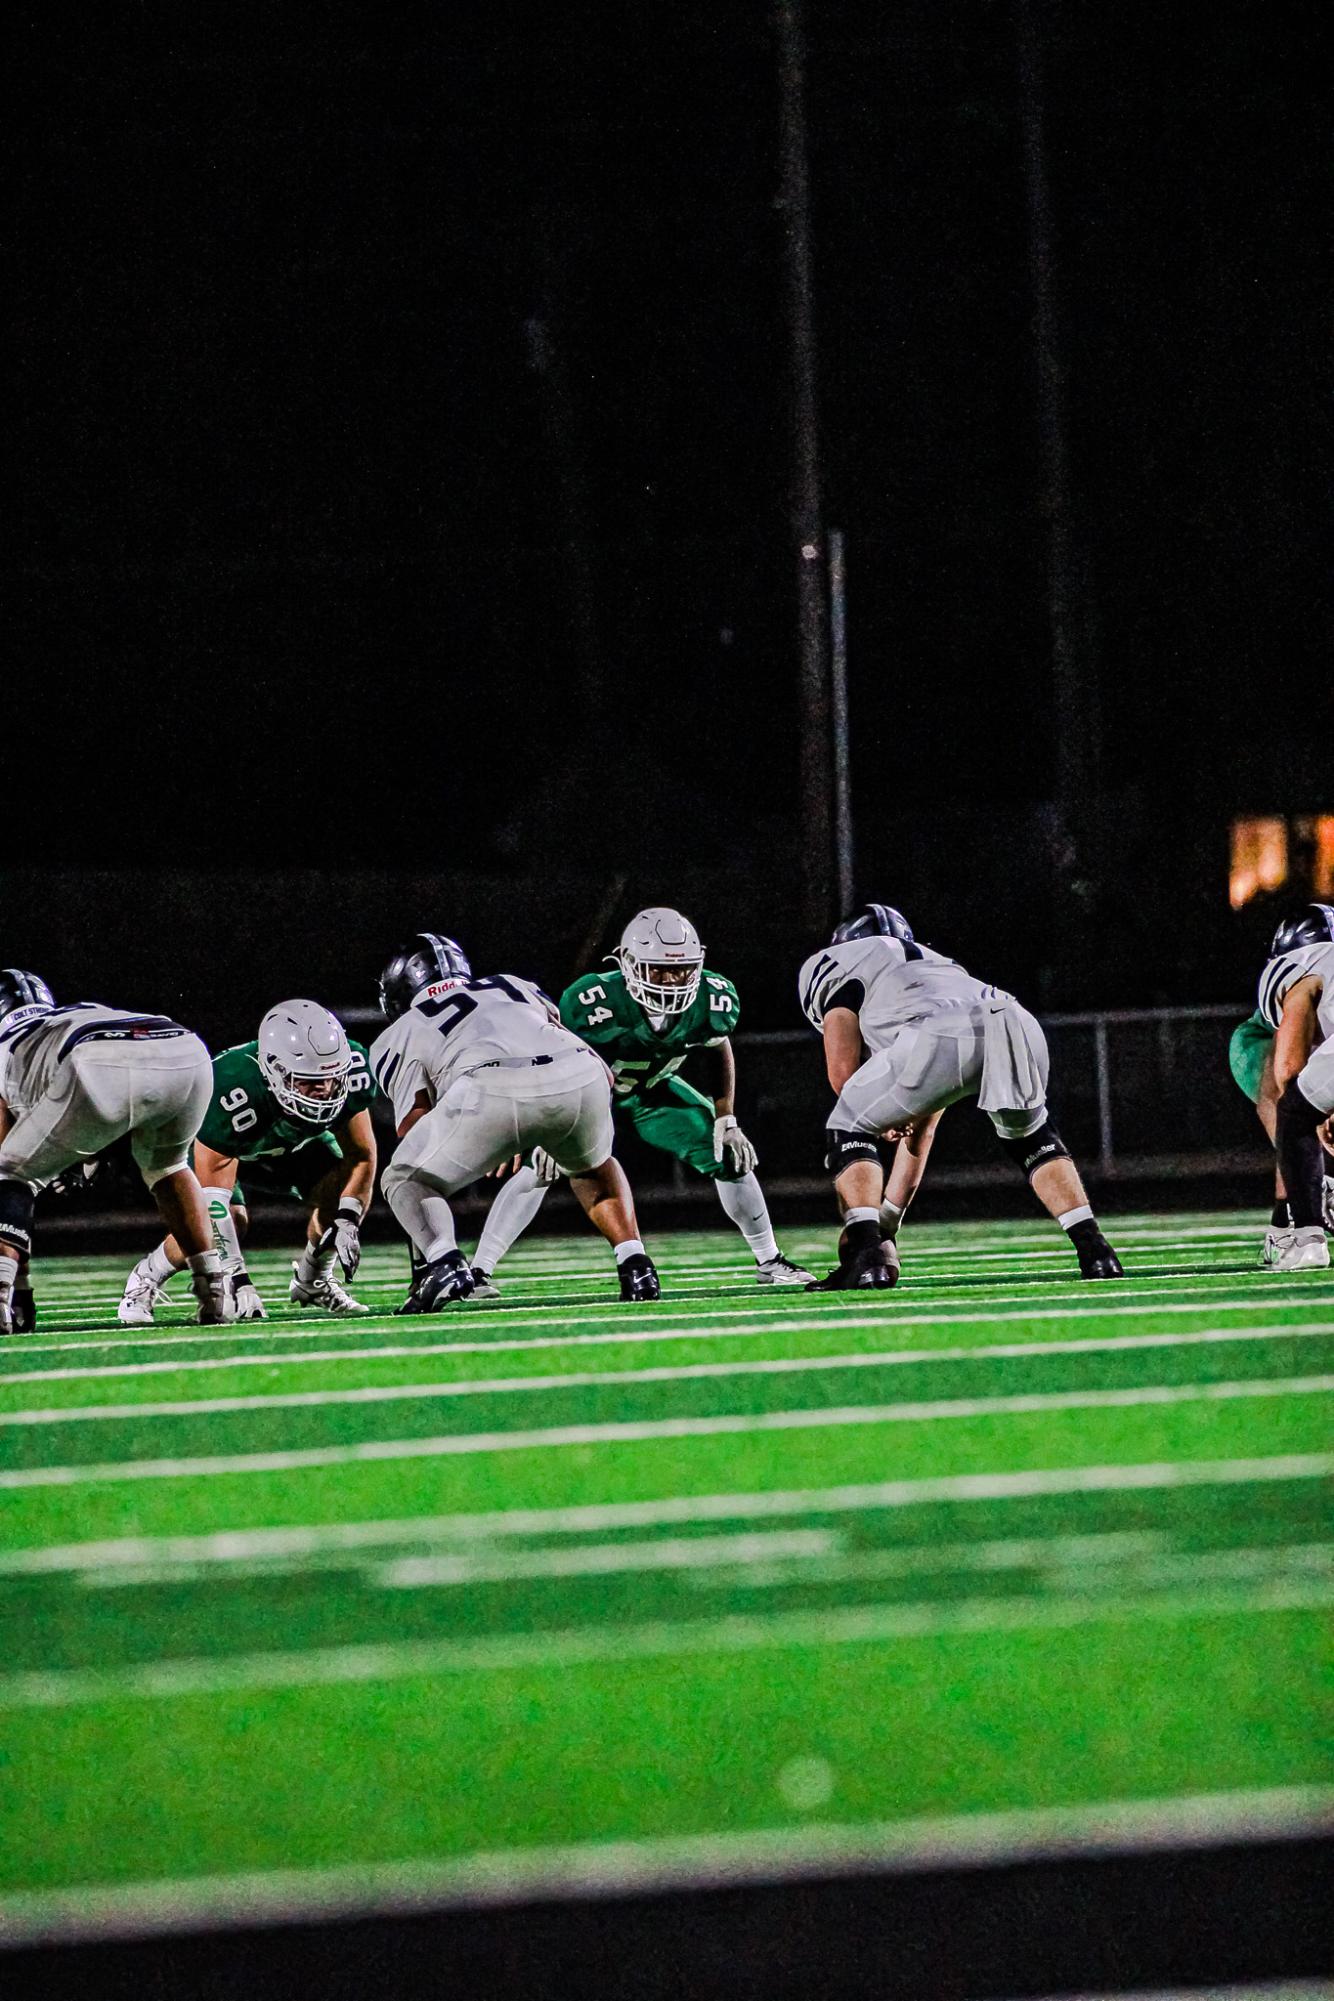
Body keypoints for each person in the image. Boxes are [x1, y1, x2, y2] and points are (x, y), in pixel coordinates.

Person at [469, 908, 812, 1293]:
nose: (671, 980)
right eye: (659, 969)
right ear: (629, 963)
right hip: (585, 1094)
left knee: (727, 1153)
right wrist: (547, 1122)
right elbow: (552, 1054)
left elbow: (718, 1046)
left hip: (652, 1088)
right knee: (540, 1167)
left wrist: (726, 1117)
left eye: (680, 970)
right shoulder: (593, 1000)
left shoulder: (712, 998)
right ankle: (479, 1272)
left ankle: (769, 1260)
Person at [797, 903, 1123, 1289]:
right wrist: (886, 1223)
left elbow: (843, 1076)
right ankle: (1096, 1251)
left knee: (848, 1122)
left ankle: (865, 1258)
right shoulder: (933, 965)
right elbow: (923, 1128)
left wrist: (867, 1237)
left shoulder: (837, 961)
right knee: (1031, 1138)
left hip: (938, 1035)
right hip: (1014, 1018)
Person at [370, 932, 659, 1309]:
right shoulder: (513, 984)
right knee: (594, 1167)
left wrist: (494, 1137)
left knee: (403, 1177)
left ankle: (445, 1263)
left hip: (490, 1087)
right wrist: (541, 1128)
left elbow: (414, 1123)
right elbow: (583, 1061)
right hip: (584, 1072)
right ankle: (635, 1263)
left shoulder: (400, 1030)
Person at [119, 999, 376, 1324]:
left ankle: (314, 1280)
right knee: (230, 1224)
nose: (324, 1091)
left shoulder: (350, 1068)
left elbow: (361, 1156)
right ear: (274, 1068)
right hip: (227, 1148)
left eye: (332, 1078)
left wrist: (350, 1219)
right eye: (309, 1080)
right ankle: (146, 1276)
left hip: (290, 1144)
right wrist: (238, 1279)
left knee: (342, 1191)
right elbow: (214, 1203)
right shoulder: (228, 1087)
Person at [0, 969, 228, 1334]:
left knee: (9, 1174)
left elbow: (12, 1184)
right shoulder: (75, 1010)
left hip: (96, 1060)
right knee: (168, 1167)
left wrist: (19, 1289)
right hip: (184, 1050)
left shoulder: (9, 1044)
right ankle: (214, 1291)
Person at [1258, 902, 1334, 1273]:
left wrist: (1316, 1115)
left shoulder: (1302, 971)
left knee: (1293, 1108)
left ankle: (1307, 1240)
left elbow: (1289, 1070)